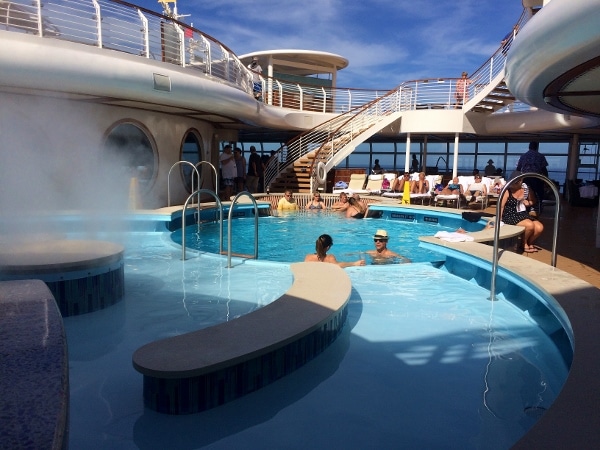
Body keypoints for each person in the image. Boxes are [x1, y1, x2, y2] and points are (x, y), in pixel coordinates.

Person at [500, 181, 544, 253]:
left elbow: (533, 201)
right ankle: (524, 243)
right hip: (510, 214)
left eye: (518, 181)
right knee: (529, 225)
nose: (515, 183)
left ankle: (529, 242)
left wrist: (528, 203)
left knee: (539, 227)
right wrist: (500, 219)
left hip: (523, 214)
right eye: (514, 182)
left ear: (521, 181)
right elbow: (501, 206)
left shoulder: (526, 190)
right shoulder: (507, 190)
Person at [516, 141, 548, 215]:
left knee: (525, 193)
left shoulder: (523, 156)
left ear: (529, 147)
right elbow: (544, 169)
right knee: (538, 194)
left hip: (525, 177)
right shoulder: (540, 156)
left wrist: (517, 179)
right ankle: (537, 208)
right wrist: (546, 179)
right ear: (537, 147)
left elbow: (518, 168)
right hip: (537, 178)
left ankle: (525, 208)